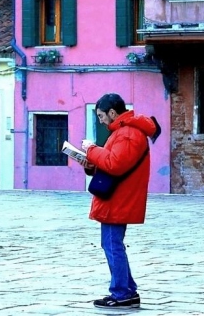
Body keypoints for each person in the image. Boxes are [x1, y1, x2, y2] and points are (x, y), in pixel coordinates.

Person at [81, 93, 160, 310]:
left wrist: (91, 150)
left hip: (118, 199)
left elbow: (115, 164)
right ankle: (127, 290)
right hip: (116, 198)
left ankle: (122, 293)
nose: (100, 120)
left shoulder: (128, 134)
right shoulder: (123, 132)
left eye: (101, 116)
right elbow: (110, 162)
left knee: (113, 245)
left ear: (113, 113)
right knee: (112, 244)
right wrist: (89, 161)